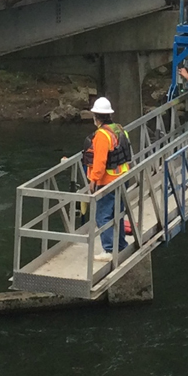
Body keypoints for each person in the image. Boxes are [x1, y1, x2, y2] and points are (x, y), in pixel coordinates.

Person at [82, 97, 131, 263]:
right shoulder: (119, 129)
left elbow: (100, 161)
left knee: (103, 216)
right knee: (117, 213)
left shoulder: (102, 135)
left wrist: (93, 180)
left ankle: (109, 249)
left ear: (96, 116)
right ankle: (121, 245)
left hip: (108, 181)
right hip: (123, 177)